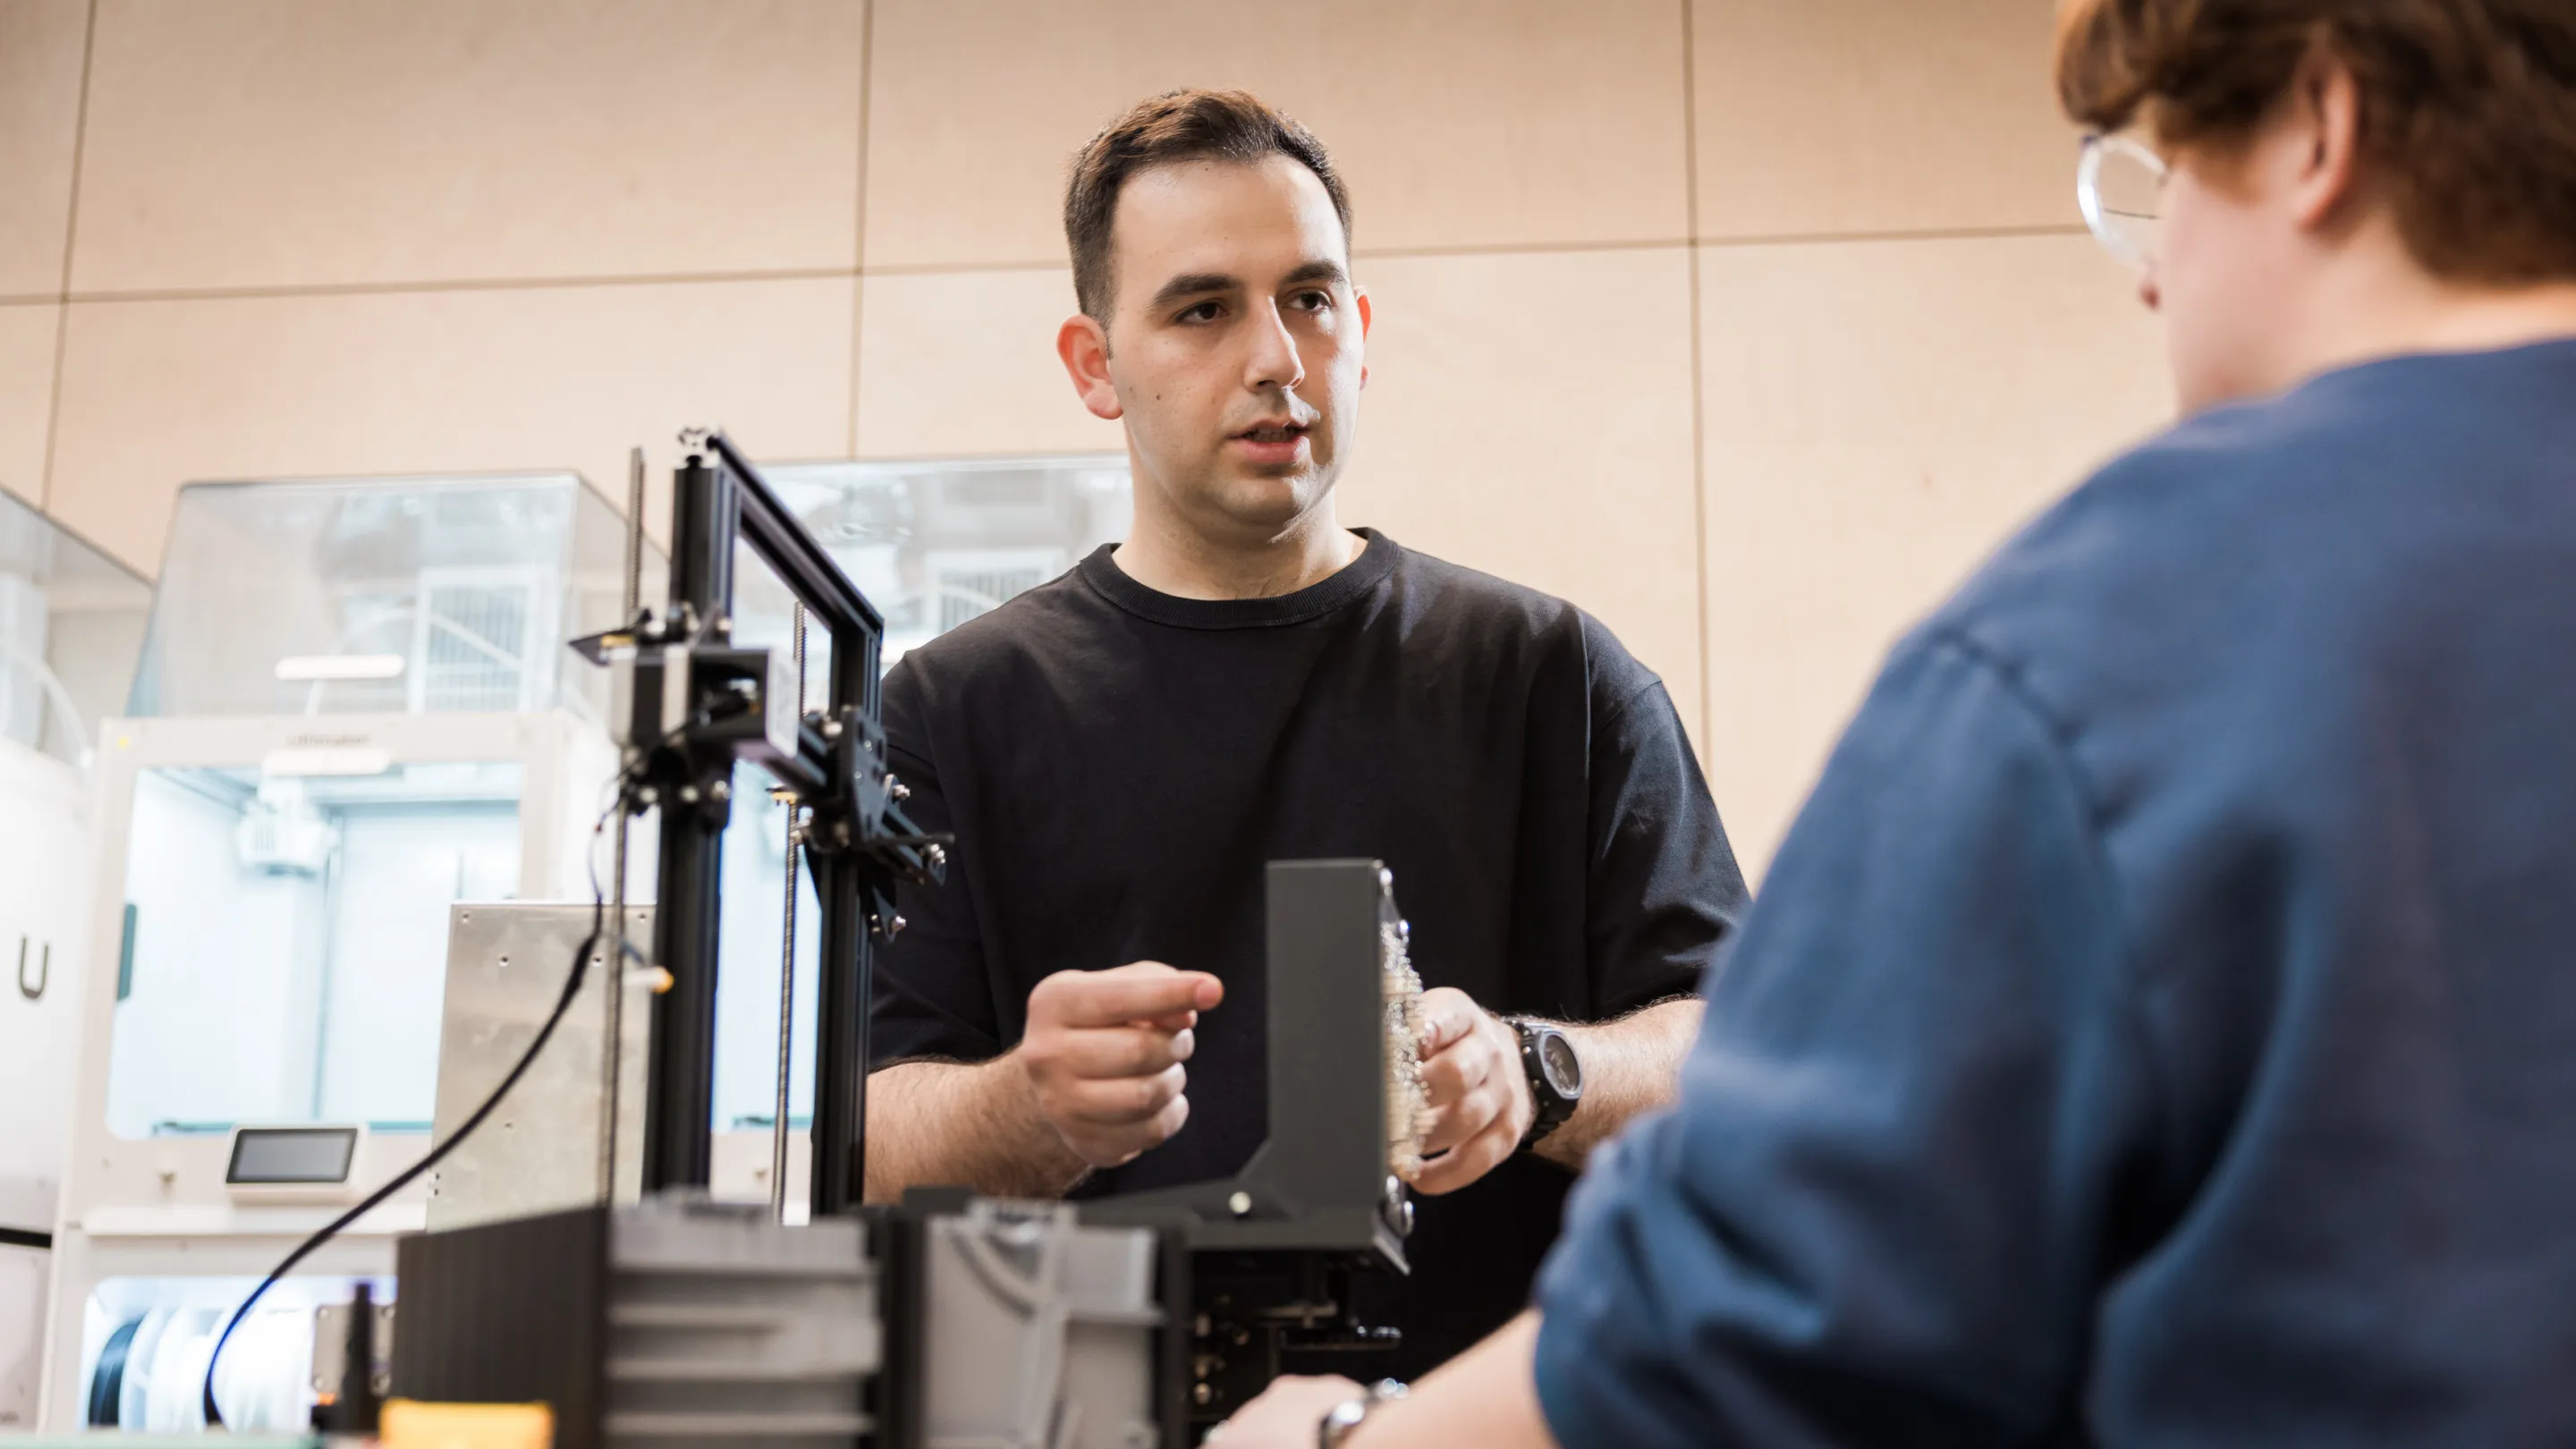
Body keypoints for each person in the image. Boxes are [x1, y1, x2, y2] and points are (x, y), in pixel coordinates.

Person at [1216, 0, 2576, 1443]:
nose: (2151, 277)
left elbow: (1751, 1316)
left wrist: (1344, 1438)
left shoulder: (2132, 633)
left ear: (2319, 125)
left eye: (2165, 183)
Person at [860, 88, 1749, 1377]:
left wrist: (1538, 1070)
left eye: (1311, 299)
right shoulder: (950, 711)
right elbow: (862, 1141)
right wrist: (1026, 1104)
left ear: (1361, 333)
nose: (1276, 356)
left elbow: (1740, 1059)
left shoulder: (1555, 676)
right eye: (1203, 309)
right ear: (1095, 366)